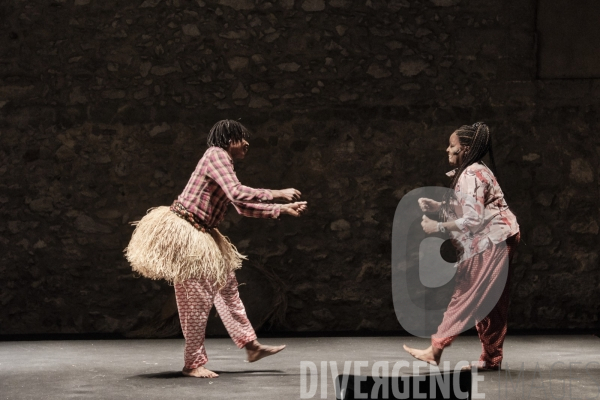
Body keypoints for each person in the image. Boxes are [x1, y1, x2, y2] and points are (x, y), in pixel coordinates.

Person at [125, 120, 307, 378]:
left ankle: (251, 345)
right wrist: (276, 193)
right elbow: (236, 192)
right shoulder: (216, 155)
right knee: (196, 301)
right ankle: (192, 364)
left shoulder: (225, 163)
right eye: (242, 138)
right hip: (187, 234)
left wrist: (282, 209)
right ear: (228, 138)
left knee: (228, 288)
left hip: (203, 234)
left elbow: (241, 206)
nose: (247, 143)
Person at [403, 122, 519, 371]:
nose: (447, 149)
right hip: (500, 237)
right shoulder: (478, 170)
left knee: (467, 293)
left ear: (465, 149)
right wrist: (437, 207)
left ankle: (436, 348)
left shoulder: (470, 174)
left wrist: (437, 228)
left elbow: (473, 219)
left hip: (492, 241)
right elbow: (473, 208)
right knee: (492, 302)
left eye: (452, 146)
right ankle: (491, 360)